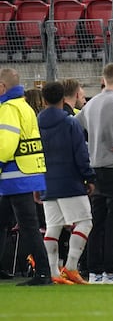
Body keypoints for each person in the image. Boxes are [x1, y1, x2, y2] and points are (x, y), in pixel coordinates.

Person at [75, 63, 113, 284]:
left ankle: (94, 271)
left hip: (95, 167)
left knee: (97, 220)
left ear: (102, 79)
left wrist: (87, 149)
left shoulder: (92, 103)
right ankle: (111, 269)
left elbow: (75, 125)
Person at [36, 81, 94, 285]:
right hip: (70, 181)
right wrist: (89, 177)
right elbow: (81, 153)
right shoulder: (70, 123)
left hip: (46, 181)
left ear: (43, 100)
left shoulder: (36, 123)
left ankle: (53, 272)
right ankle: (70, 267)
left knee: (53, 227)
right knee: (85, 222)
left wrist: (36, 183)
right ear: (63, 99)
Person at [0, 68, 53, 286]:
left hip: (15, 176)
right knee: (6, 222)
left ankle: (43, 272)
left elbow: (6, 144)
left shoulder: (9, 108)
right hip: (28, 173)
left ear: (2, 87)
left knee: (28, 225)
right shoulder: (25, 106)